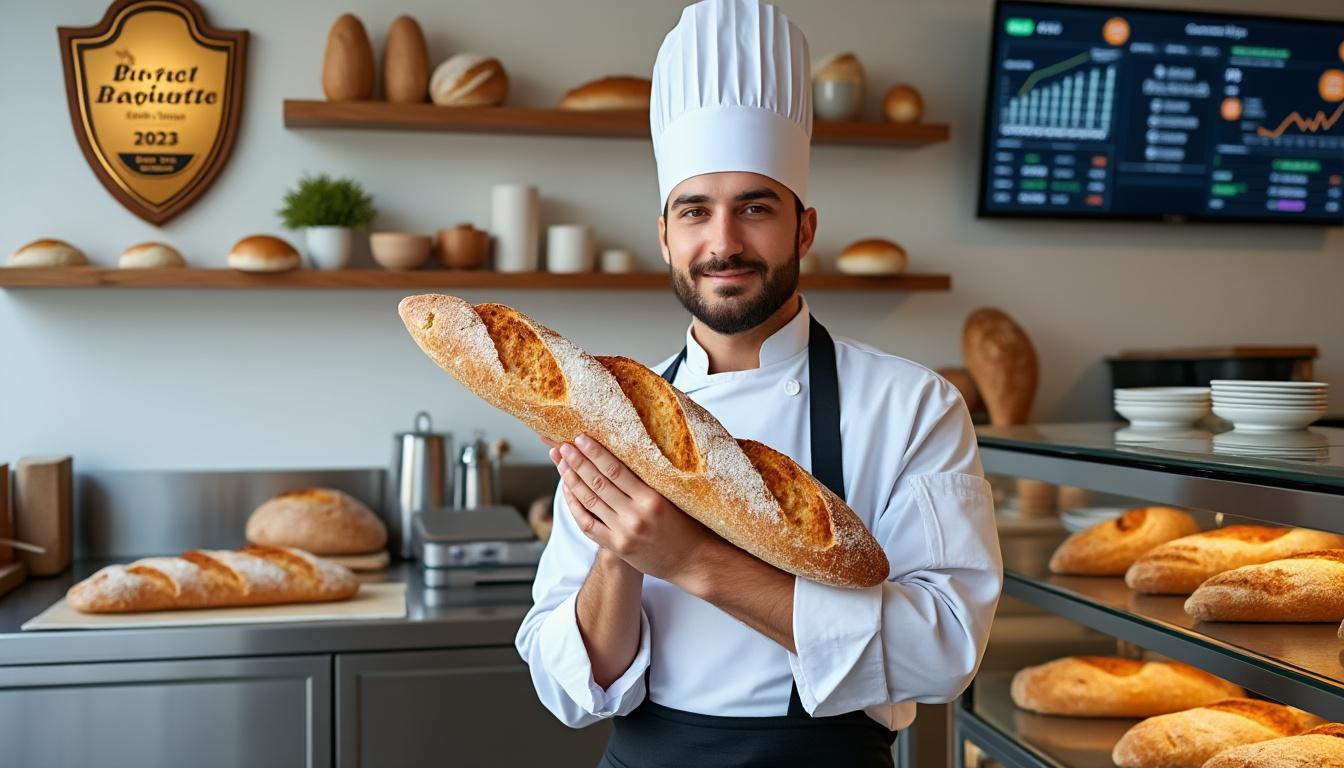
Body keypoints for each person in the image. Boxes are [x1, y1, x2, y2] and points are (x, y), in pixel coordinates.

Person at [515, 1, 1003, 765]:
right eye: (695, 212)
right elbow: (570, 687)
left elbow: (943, 653)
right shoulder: (611, 415)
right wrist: (620, 551)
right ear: (665, 237)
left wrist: (690, 560)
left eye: (755, 208)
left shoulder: (913, 407)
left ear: (804, 229)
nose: (724, 243)